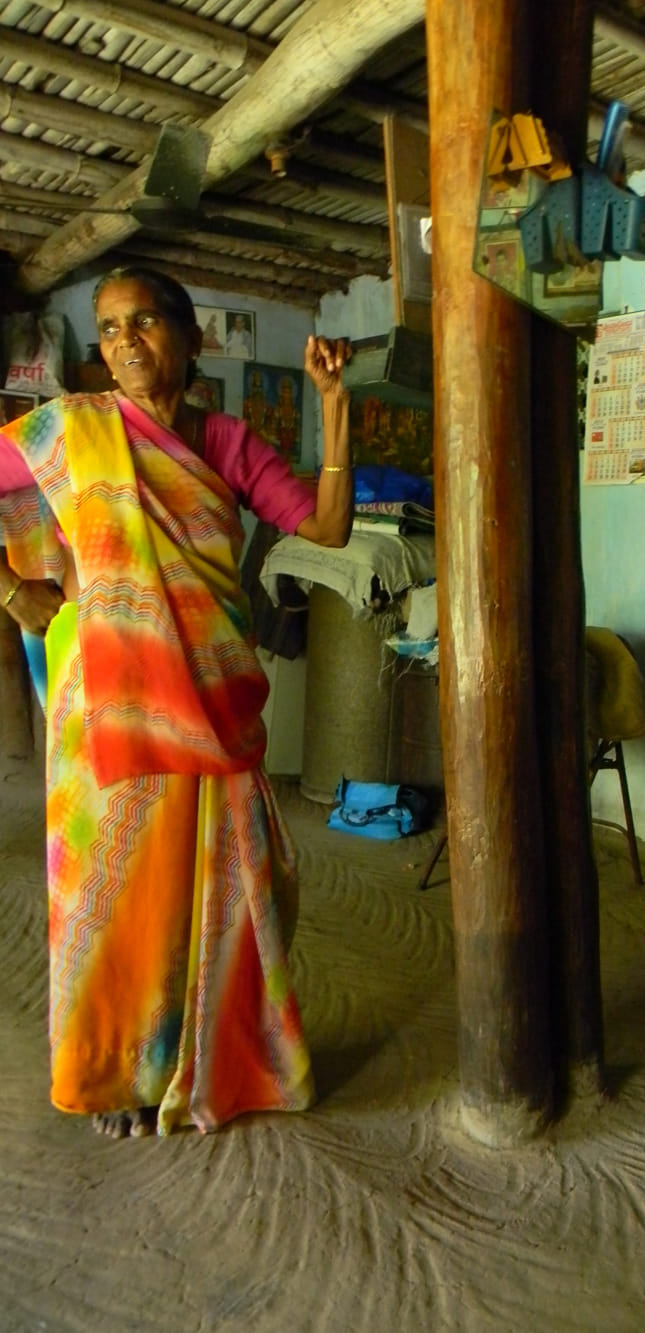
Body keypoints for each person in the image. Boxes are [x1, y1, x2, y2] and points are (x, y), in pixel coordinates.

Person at [0, 265, 355, 1139]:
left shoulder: (227, 442)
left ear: (191, 338)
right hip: (107, 707)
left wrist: (334, 406)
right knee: (110, 895)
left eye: (145, 322)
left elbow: (328, 526)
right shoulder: (75, 429)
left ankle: (214, 1054)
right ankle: (116, 1071)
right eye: (109, 329)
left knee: (233, 888)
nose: (125, 344)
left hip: (210, 700)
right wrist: (13, 594)